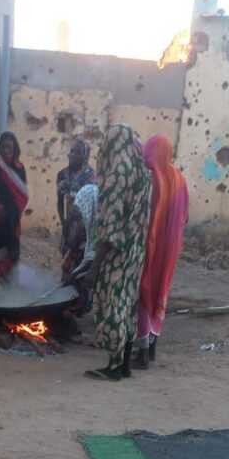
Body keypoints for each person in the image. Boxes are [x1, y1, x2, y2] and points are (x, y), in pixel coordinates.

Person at [84, 125, 152, 382]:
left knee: (111, 305)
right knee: (127, 305)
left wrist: (94, 266)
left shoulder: (117, 176)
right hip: (135, 252)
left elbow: (111, 228)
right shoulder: (143, 173)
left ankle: (113, 366)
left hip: (116, 254)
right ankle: (124, 365)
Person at [135, 135, 189, 368]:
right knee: (160, 293)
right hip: (170, 249)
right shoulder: (179, 179)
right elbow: (185, 216)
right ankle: (153, 347)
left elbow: (140, 217)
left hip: (149, 247)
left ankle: (142, 354)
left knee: (143, 293)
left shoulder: (149, 179)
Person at [0, 132, 28, 278]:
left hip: (11, 218)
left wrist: (9, 212)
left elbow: (23, 195)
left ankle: (10, 282)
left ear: (15, 148)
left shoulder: (19, 168)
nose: (6, 150)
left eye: (9, 147)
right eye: (3, 147)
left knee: (11, 250)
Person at [61, 182, 99, 314]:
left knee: (82, 282)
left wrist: (74, 274)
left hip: (88, 255)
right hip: (78, 250)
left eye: (80, 210)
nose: (78, 212)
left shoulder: (99, 224)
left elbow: (92, 258)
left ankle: (81, 307)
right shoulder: (80, 210)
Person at [56, 139, 96, 249]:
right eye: (71, 151)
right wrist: (63, 223)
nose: (73, 155)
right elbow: (60, 202)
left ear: (86, 156)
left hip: (86, 227)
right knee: (67, 255)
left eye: (78, 153)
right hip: (69, 225)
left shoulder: (91, 176)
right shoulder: (62, 175)